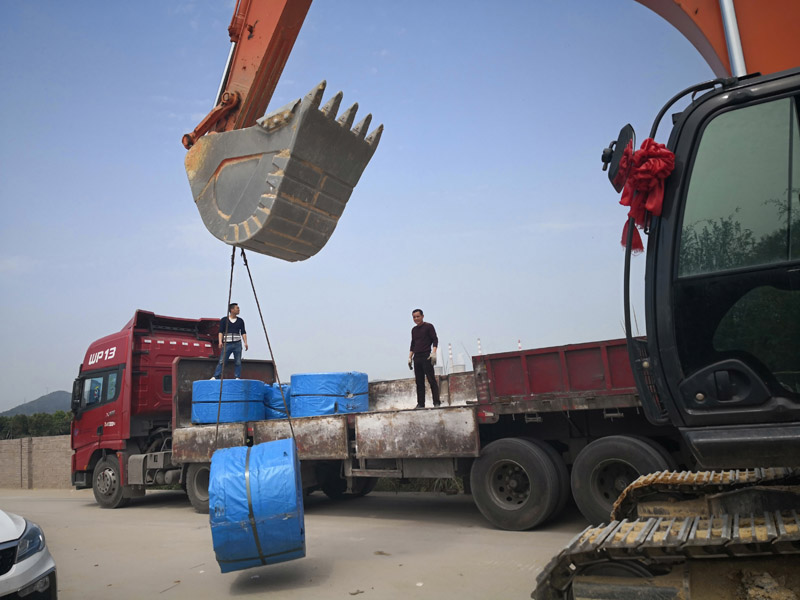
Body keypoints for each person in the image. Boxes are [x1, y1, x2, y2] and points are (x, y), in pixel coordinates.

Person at [408, 309, 440, 408]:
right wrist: (410, 357)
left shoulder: (428, 326)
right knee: (419, 382)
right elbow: (413, 344)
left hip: (426, 356)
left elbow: (435, 339)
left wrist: (434, 352)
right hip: (417, 357)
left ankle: (436, 402)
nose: (416, 318)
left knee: (431, 380)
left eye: (418, 316)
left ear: (422, 316)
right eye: (414, 317)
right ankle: (421, 404)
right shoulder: (414, 330)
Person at [211, 303, 248, 380]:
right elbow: (220, 332)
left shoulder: (240, 321)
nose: (239, 310)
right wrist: (220, 342)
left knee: (238, 361)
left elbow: (243, 332)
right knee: (222, 361)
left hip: (237, 343)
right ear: (232, 310)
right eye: (237, 308)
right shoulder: (224, 320)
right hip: (227, 344)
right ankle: (216, 376)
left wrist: (245, 342)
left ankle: (237, 376)